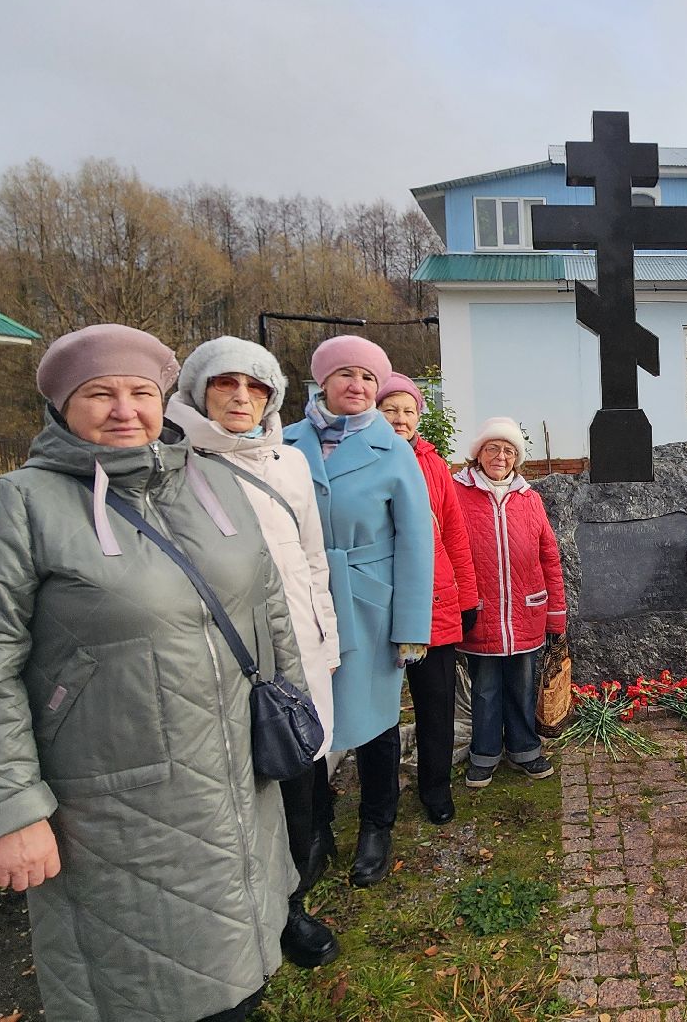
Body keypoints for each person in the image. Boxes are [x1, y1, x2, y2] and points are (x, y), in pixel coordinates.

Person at [0, 324, 301, 1022]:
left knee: (240, 967)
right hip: (114, 806)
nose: (124, 409)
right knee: (142, 989)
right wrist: (10, 812)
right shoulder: (16, 508)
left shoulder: (211, 481)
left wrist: (292, 707)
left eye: (139, 392)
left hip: (235, 780)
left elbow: (266, 602)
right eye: (99, 393)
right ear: (63, 405)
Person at [164, 335, 343, 969]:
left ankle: (293, 895)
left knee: (298, 758)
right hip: (232, 646)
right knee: (244, 777)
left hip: (300, 633)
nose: (242, 398)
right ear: (197, 391)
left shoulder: (288, 460)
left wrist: (327, 639)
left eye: (256, 388)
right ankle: (258, 906)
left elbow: (311, 555)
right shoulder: (174, 461)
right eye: (226, 385)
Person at [283, 336, 434, 889]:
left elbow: (417, 541)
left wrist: (411, 627)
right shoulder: (285, 442)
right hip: (301, 604)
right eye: (346, 374)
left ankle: (377, 824)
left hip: (369, 601)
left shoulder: (392, 448)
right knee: (306, 720)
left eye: (369, 378)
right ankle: (315, 828)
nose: (358, 386)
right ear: (321, 380)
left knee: (376, 722)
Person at [378, 372, 481, 825]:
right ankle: (378, 804)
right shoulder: (356, 458)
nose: (400, 418)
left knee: (434, 703)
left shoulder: (433, 465)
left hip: (431, 603)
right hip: (376, 602)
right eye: (390, 409)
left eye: (408, 410)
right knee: (378, 708)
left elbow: (455, 533)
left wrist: (468, 597)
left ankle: (434, 787)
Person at [453, 417, 567, 787]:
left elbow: (548, 555)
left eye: (508, 450)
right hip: (481, 612)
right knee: (485, 688)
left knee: (521, 684)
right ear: (478, 454)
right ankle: (484, 754)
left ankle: (524, 750)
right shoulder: (457, 494)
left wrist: (556, 613)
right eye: (492, 448)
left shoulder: (529, 498)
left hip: (525, 611)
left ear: (516, 457)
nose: (500, 456)